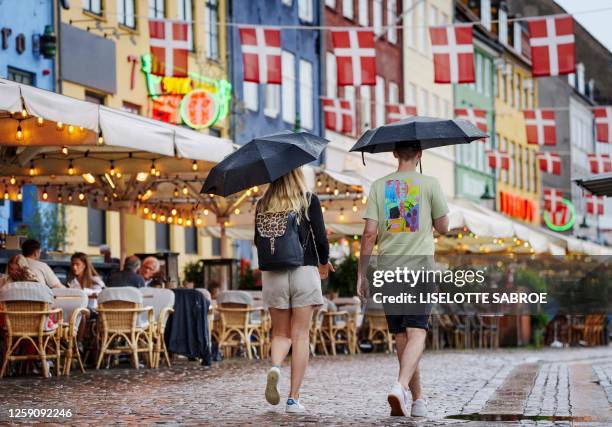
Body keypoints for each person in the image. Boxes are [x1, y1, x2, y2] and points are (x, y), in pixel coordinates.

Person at [357, 145, 449, 418]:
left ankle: (417, 400)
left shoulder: (378, 186)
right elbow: (444, 227)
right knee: (417, 332)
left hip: (389, 270)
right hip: (420, 270)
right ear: (420, 154)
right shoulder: (430, 184)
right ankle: (400, 386)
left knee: (402, 335)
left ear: (395, 154)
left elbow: (369, 234)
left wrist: (362, 273)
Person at [256, 167, 333, 414]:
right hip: (304, 270)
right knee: (300, 335)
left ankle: (276, 367)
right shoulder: (308, 200)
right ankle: (293, 399)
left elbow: (257, 242)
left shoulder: (262, 203)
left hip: (273, 274)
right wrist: (324, 261)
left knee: (280, 333)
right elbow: (321, 238)